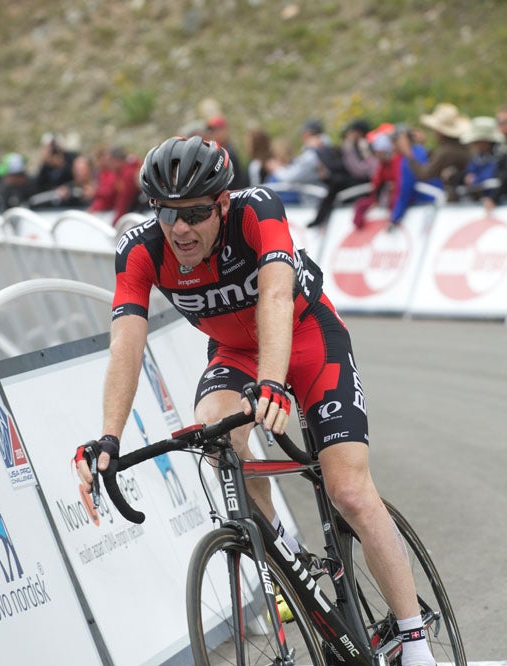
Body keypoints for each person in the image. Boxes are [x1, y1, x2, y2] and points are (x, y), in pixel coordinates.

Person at [74, 135, 439, 666]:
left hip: (306, 334)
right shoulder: (139, 250)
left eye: (195, 213)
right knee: (214, 428)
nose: (179, 229)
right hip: (235, 352)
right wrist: (109, 435)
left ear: (222, 202)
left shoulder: (258, 210)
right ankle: (282, 558)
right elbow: (126, 344)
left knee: (349, 489)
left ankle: (415, 642)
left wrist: (272, 383)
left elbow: (273, 294)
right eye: (167, 214)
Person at [396, 102, 471, 203]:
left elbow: (424, 174)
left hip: (455, 200)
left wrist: (408, 154)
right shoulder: (459, 147)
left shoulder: (447, 151)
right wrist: (422, 146)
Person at [205, 115, 249, 190]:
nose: (213, 134)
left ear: (225, 130)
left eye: (217, 130)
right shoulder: (218, 150)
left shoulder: (228, 152)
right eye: (211, 131)